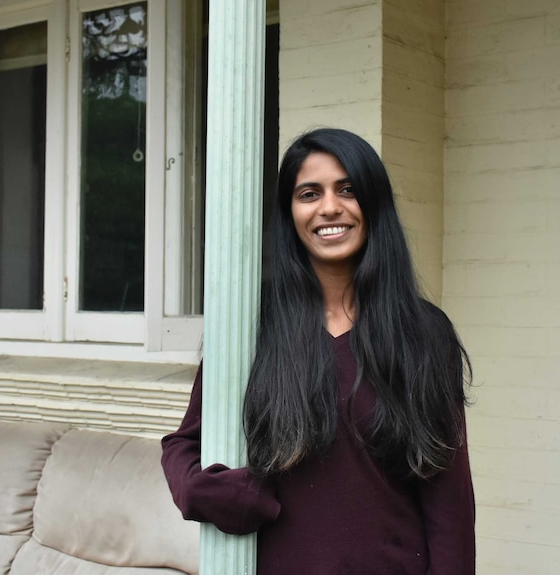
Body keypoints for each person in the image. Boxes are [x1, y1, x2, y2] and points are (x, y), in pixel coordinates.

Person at [161, 128, 475, 575]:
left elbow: (449, 501)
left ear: (374, 203)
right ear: (290, 213)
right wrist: (202, 491)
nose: (330, 207)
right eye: (309, 193)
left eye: (347, 189)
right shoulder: (253, 327)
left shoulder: (424, 333)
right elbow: (182, 444)